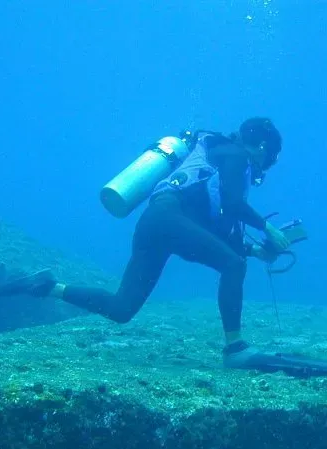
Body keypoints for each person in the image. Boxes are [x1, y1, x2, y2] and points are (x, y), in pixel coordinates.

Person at [24, 117, 291, 368]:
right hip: (170, 219)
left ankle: (48, 287)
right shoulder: (237, 154)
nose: (265, 168)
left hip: (156, 221)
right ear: (263, 147)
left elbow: (210, 231)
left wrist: (254, 250)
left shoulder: (216, 155)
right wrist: (267, 228)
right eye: (270, 160)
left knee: (122, 308)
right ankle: (235, 349)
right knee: (234, 266)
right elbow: (233, 205)